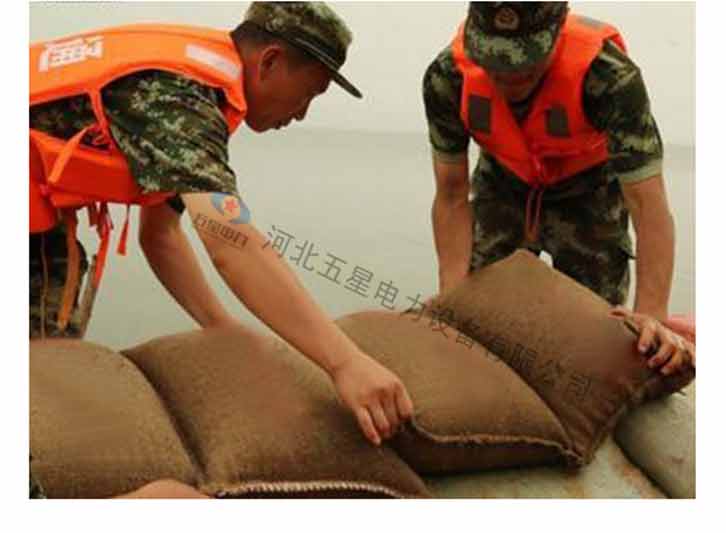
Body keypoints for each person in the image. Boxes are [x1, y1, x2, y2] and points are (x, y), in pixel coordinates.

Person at [30, 1, 413, 498]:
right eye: (309, 93)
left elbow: (161, 236)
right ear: (270, 61)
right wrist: (345, 363)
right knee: (46, 381)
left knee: (47, 363)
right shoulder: (178, 95)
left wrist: (223, 329)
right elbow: (232, 240)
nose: (302, 113)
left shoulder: (185, 88)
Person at [422, 1, 694, 375]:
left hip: (590, 192)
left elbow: (649, 208)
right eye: (495, 62)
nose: (509, 76)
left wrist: (651, 315)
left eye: (525, 64)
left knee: (600, 339)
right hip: (504, 183)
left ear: (557, 33)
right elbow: (452, 195)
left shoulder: (609, 78)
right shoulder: (447, 78)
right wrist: (452, 298)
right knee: (477, 321)